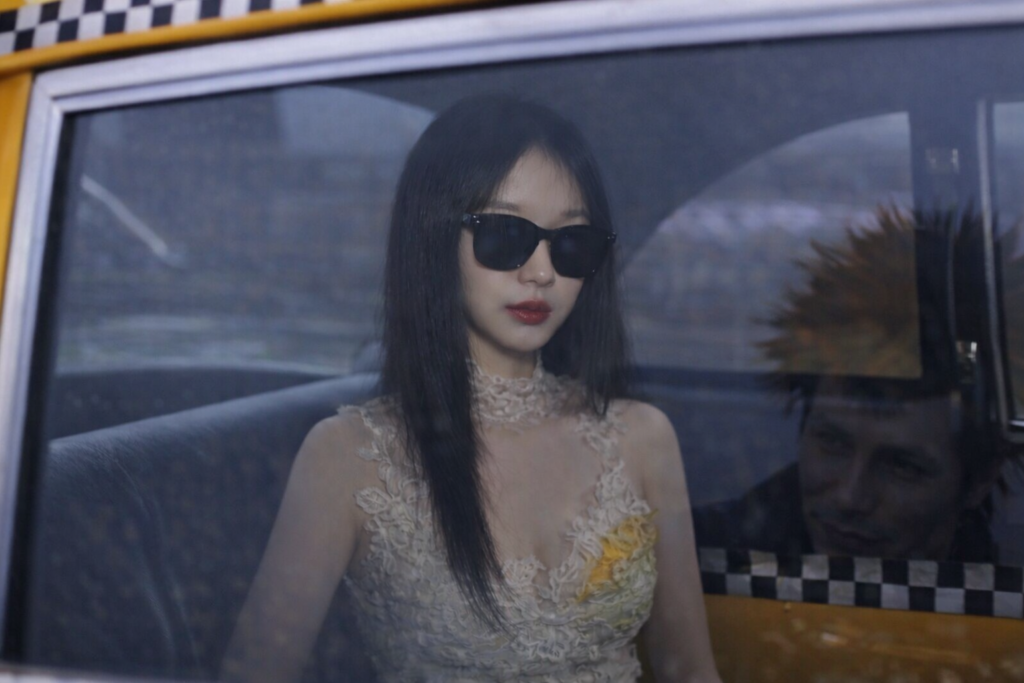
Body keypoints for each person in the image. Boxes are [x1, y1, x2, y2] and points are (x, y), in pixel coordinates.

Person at [221, 96, 722, 683]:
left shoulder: (641, 437)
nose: (541, 272)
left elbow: (691, 672)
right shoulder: (346, 457)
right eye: (505, 235)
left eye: (571, 244)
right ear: (434, 237)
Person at [694, 208, 1014, 562]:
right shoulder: (699, 556)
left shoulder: (1003, 584)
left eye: (903, 467)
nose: (850, 497)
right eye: (832, 443)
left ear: (980, 479)